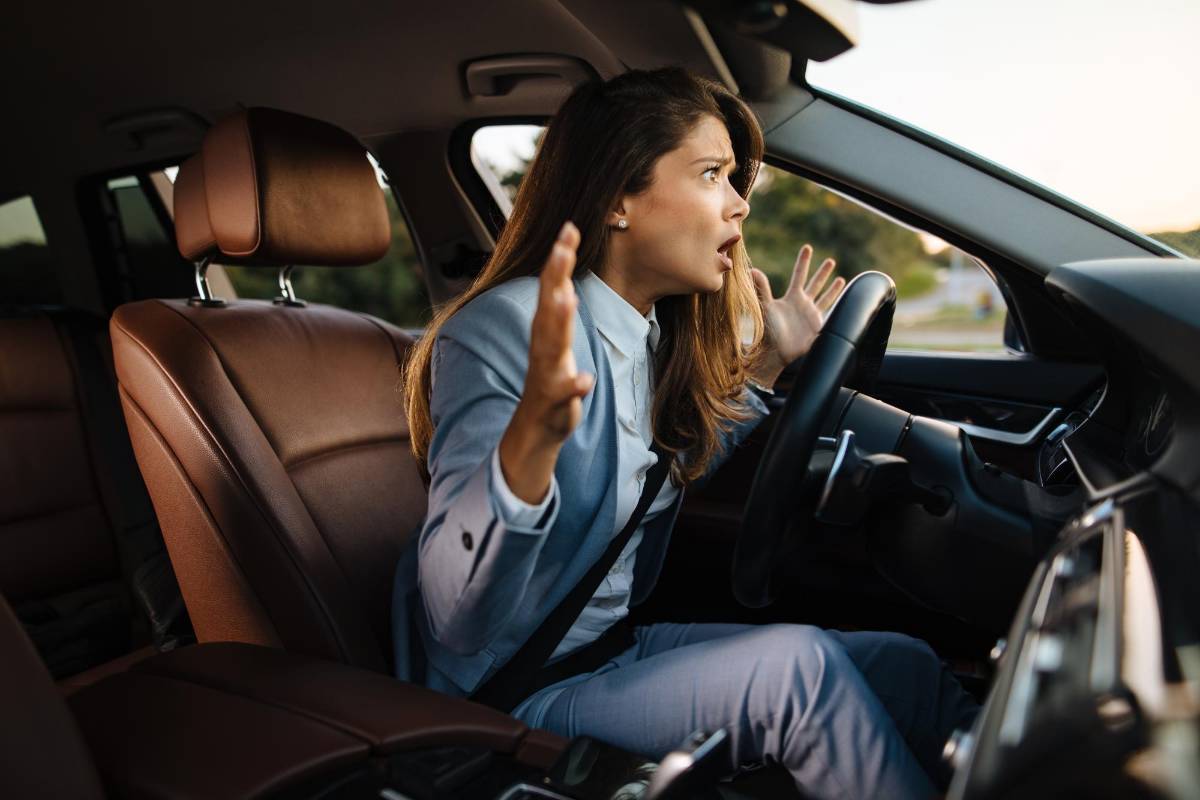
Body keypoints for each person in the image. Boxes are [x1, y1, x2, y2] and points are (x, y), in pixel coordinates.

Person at [394, 67, 978, 799]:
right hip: (514, 688)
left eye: (737, 181)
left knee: (906, 665)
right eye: (712, 175)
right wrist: (526, 454)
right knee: (798, 671)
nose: (738, 206)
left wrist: (764, 365)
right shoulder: (508, 330)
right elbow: (455, 619)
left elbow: (662, 469)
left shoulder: (645, 335)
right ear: (616, 201)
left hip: (612, 650)